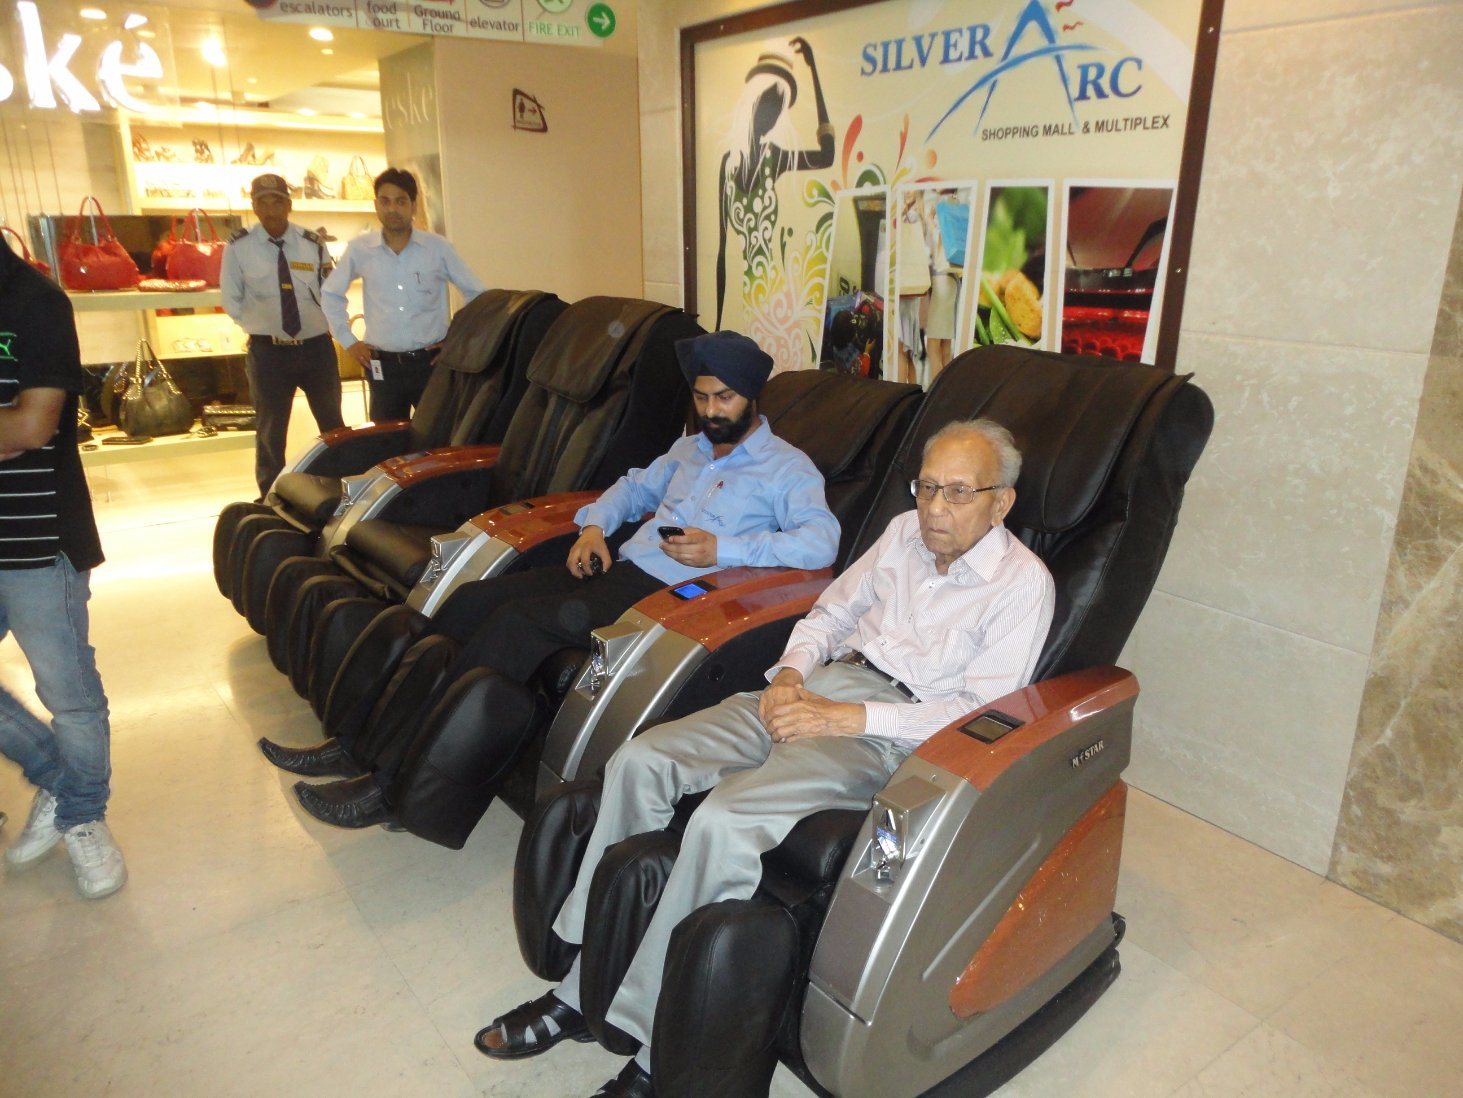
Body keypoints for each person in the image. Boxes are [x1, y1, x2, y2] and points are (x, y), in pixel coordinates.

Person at [475, 419, 1054, 1098]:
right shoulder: (901, 534)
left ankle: (655, 1043)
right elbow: (829, 615)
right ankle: (584, 976)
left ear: (1001, 502)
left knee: (723, 820)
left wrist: (843, 716)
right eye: (925, 487)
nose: (933, 508)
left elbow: (976, 714)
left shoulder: (1022, 584)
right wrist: (787, 676)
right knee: (641, 761)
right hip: (813, 687)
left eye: (957, 493)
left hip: (885, 735)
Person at [260, 331, 842, 831]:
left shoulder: (787, 469)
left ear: (752, 398)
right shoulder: (690, 448)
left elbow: (822, 543)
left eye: (725, 398)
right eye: (701, 396)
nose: (711, 410)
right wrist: (593, 528)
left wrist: (725, 548)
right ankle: (360, 739)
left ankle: (393, 787)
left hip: (670, 603)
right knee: (468, 601)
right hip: (620, 566)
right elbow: (634, 486)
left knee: (514, 628)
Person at [0, 239, 126, 900]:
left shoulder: (35, 303)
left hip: (36, 541)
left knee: (69, 696)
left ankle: (83, 817)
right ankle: (59, 780)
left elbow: (31, 425)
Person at [322, 168, 486, 420]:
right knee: (386, 444)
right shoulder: (360, 249)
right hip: (382, 367)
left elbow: (478, 294)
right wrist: (349, 341)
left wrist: (457, 340)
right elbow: (331, 294)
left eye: (400, 201)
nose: (392, 209)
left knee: (436, 440)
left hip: (430, 365)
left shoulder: (437, 248)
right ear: (376, 205)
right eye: (385, 201)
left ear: (413, 206)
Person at [220, 172, 344, 502]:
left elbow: (330, 293)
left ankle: (339, 492)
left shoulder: (312, 243)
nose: (271, 209)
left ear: (288, 205)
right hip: (268, 354)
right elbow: (231, 299)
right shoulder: (238, 248)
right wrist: (263, 325)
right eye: (263, 202)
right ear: (253, 206)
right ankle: (271, 500)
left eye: (278, 201)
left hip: (316, 349)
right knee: (270, 433)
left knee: (334, 428)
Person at [715, 37, 834, 332]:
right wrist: (716, 324)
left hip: (774, 297)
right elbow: (721, 250)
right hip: (741, 300)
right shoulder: (728, 164)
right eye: (769, 101)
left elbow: (827, 156)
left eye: (779, 106)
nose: (772, 114)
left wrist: (814, 69)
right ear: (752, 100)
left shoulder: (775, 158)